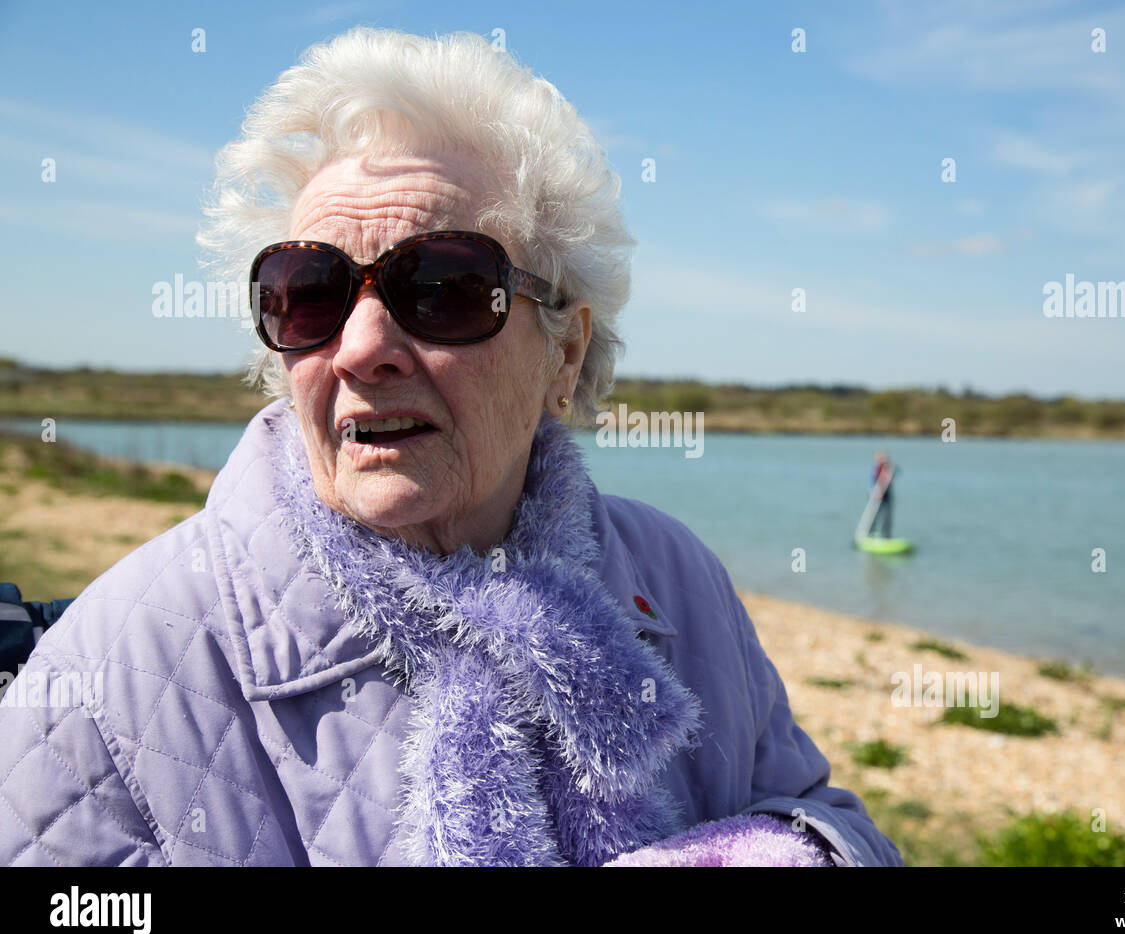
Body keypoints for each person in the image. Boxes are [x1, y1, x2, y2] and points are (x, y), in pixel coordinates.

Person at [0, 28, 902, 867]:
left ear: (566, 350)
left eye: (442, 286)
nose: (361, 349)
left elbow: (822, 814)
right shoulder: (108, 674)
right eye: (310, 294)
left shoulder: (679, 579)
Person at [867, 450, 898, 538]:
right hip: (876, 493)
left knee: (887, 516)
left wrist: (891, 469)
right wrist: (875, 492)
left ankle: (886, 536)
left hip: (886, 494)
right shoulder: (876, 469)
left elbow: (895, 474)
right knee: (873, 515)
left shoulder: (889, 468)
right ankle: (870, 534)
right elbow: (873, 481)